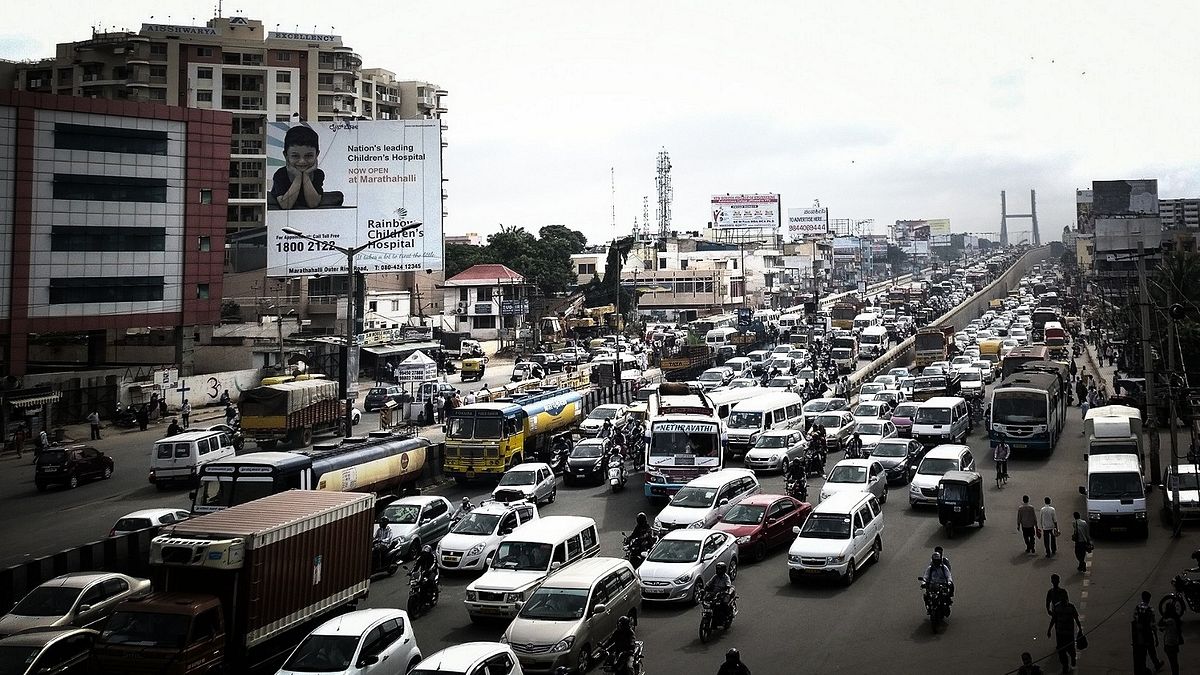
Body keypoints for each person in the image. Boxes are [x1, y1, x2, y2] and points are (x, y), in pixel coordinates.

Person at [270, 124, 327, 210]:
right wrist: (298, 176)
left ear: (317, 155)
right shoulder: (281, 174)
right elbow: (286, 205)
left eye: (309, 156)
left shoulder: (318, 174)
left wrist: (306, 175)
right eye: (295, 156)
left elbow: (313, 204)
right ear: (286, 155)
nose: (302, 161)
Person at [1047, 599, 1082, 673]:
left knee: (1070, 650)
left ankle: (1072, 659)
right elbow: (1054, 619)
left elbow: (1076, 617)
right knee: (1062, 651)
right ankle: (1065, 665)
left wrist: (1079, 628)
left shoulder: (1070, 607)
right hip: (1061, 634)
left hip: (1068, 634)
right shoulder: (1058, 607)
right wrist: (1049, 629)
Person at [1133, 591, 1164, 672]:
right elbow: (1153, 625)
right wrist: (1156, 638)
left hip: (1140, 634)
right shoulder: (1150, 609)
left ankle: (1143, 667)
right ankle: (1156, 664)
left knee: (1142, 652)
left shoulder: (1138, 607)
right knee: (1151, 650)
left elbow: (1135, 618)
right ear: (1149, 599)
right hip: (1148, 633)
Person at [1159, 599, 1184, 675]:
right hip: (1175, 643)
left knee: (1172, 662)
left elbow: (1160, 623)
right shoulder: (1175, 619)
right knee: (1175, 662)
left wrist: (1164, 614)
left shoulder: (1170, 620)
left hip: (1169, 643)